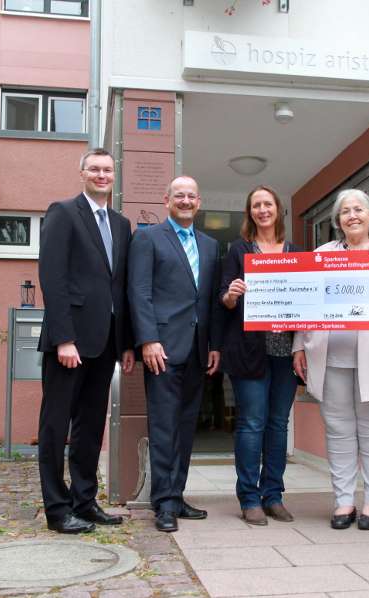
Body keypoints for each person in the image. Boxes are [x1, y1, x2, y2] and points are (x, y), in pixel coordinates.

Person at [293, 189, 369, 531]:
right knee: (339, 431)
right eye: (345, 211)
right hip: (330, 354)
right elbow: (305, 302)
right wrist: (299, 344)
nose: (352, 215)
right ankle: (343, 501)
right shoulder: (322, 253)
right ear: (337, 221)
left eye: (359, 209)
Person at [37, 148, 135, 534]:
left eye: (107, 170)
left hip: (106, 342)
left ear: (115, 175)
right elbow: (53, 277)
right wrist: (64, 338)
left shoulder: (121, 223)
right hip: (70, 342)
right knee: (55, 426)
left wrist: (125, 343)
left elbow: (120, 288)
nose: (101, 175)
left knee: (91, 427)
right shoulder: (63, 212)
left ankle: (84, 500)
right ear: (81, 173)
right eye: (94, 168)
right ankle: (57, 510)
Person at [128, 175, 222, 533]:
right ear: (166, 199)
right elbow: (139, 292)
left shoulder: (211, 245)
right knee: (164, 426)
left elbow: (210, 300)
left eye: (191, 196)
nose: (185, 201)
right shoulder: (148, 238)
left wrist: (214, 344)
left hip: (198, 350)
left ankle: (177, 495)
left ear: (199, 202)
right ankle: (163, 503)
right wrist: (148, 340)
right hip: (162, 349)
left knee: (185, 428)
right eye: (179, 195)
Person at [220, 185, 302, 526]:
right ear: (249, 212)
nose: (263, 209)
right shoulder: (238, 251)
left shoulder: (296, 252)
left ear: (278, 209)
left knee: (278, 424)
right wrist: (232, 294)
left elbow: (307, 303)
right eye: (256, 205)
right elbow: (223, 299)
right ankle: (249, 498)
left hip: (287, 353)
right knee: (252, 423)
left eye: (268, 203)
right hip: (250, 352)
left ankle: (273, 496)